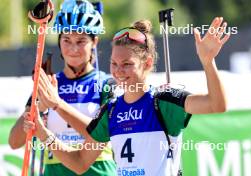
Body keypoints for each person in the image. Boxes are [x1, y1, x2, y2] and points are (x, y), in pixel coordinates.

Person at [24, 17, 229, 175]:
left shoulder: (164, 100)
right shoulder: (111, 110)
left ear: (147, 63)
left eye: (127, 64)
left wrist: (208, 62)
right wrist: (42, 133)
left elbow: (216, 105)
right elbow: (79, 163)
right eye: (114, 64)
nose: (119, 71)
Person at [9, 0, 117, 175]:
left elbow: (105, 133)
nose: (73, 49)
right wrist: (39, 108)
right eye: (67, 40)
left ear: (94, 42)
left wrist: (57, 104)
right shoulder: (47, 83)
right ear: (59, 42)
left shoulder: (107, 84)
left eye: (81, 40)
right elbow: (14, 142)